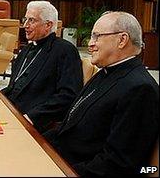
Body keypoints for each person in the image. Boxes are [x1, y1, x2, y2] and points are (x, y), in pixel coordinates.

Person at [44, 11, 159, 176]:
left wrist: (57, 172)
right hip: (58, 158)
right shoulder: (106, 72)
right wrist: (35, 142)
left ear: (122, 40)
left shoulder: (140, 89)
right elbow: (68, 126)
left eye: (97, 36)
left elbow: (117, 163)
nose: (90, 44)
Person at [1, 0, 83, 132]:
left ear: (48, 25)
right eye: (25, 19)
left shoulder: (65, 50)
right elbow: (14, 86)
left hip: (35, 121)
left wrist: (31, 117)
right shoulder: (27, 49)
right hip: (11, 112)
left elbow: (68, 95)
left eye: (32, 20)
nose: (25, 25)